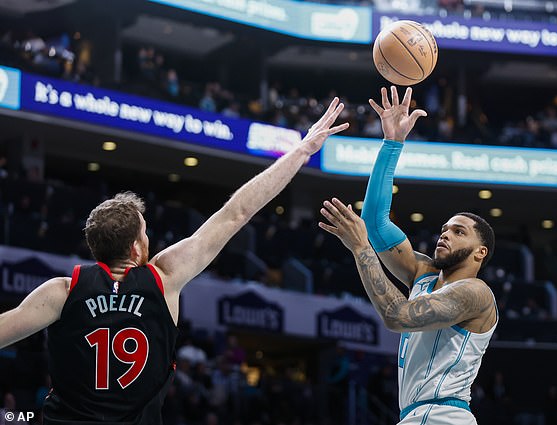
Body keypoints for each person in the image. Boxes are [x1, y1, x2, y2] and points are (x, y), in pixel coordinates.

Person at [0, 97, 348, 424]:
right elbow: (236, 212)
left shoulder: (62, 291)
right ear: (137, 248)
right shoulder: (164, 277)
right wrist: (303, 149)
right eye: (146, 233)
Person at [319, 87, 497, 425]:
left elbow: (397, 315)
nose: (445, 233)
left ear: (480, 252)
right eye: (445, 228)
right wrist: (392, 142)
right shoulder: (423, 273)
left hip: (445, 415)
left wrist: (360, 249)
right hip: (416, 416)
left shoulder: (477, 294)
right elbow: (374, 222)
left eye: (459, 232)